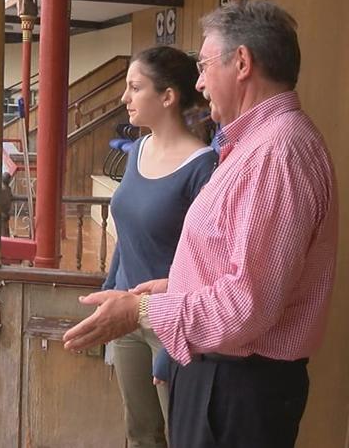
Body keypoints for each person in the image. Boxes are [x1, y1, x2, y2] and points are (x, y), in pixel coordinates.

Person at [63, 0, 338, 448]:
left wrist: (142, 311)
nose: (199, 82)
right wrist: (176, 287)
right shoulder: (256, 145)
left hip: (236, 386)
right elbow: (239, 268)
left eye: (206, 65)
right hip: (223, 376)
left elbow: (246, 304)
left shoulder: (276, 155)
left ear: (243, 63)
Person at [102, 45, 218, 448]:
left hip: (172, 323)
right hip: (128, 318)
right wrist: (108, 295)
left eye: (135, 88)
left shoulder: (204, 167)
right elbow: (128, 234)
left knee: (183, 435)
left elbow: (207, 262)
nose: (124, 98)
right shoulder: (138, 151)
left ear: (167, 97)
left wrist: (172, 349)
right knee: (140, 434)